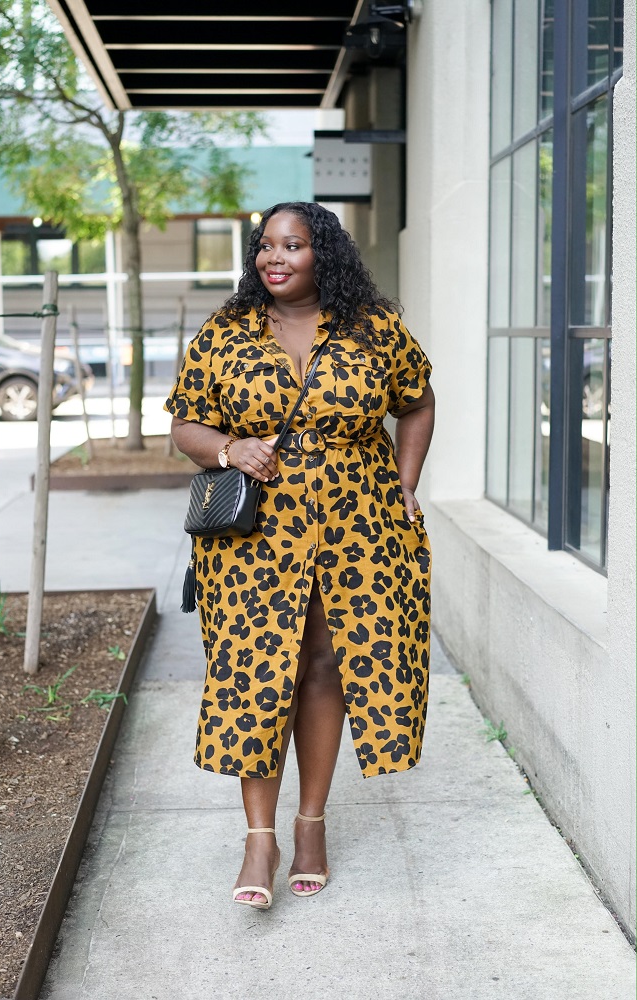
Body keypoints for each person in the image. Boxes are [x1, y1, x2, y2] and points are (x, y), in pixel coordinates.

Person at [166, 201, 435, 910]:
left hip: (359, 526)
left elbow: (417, 400)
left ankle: (309, 824)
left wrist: (406, 483)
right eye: (264, 247)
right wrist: (229, 447)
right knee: (260, 673)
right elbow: (185, 423)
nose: (273, 258)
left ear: (326, 255)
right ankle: (260, 837)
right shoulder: (227, 332)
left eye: (291, 245)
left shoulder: (373, 329)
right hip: (257, 536)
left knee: (324, 665)